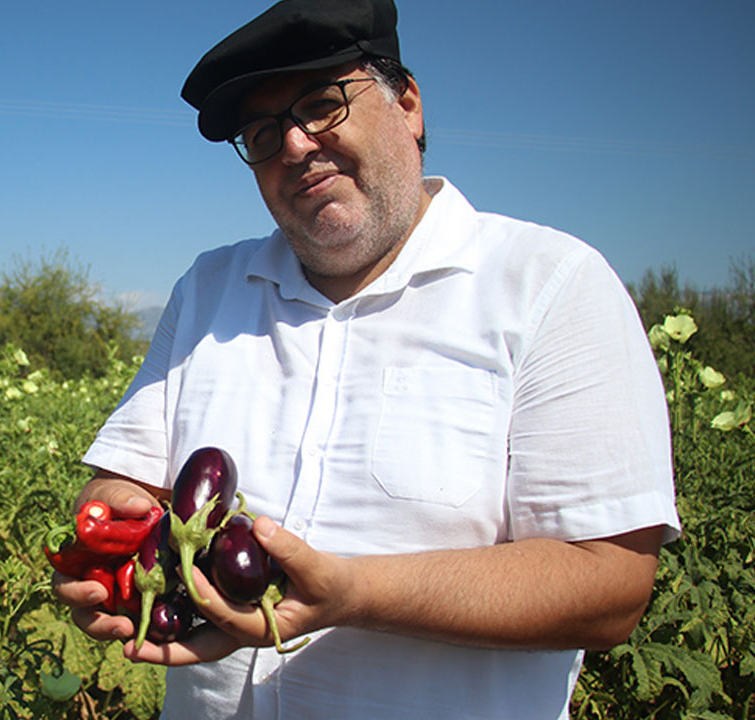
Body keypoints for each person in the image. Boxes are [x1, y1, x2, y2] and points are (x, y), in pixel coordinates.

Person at [52, 0, 680, 717]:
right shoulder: (208, 290)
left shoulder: (550, 285)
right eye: (261, 134)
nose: (293, 145)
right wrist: (107, 553)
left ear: (407, 104)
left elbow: (609, 588)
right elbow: (121, 484)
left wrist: (356, 594)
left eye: (321, 105)